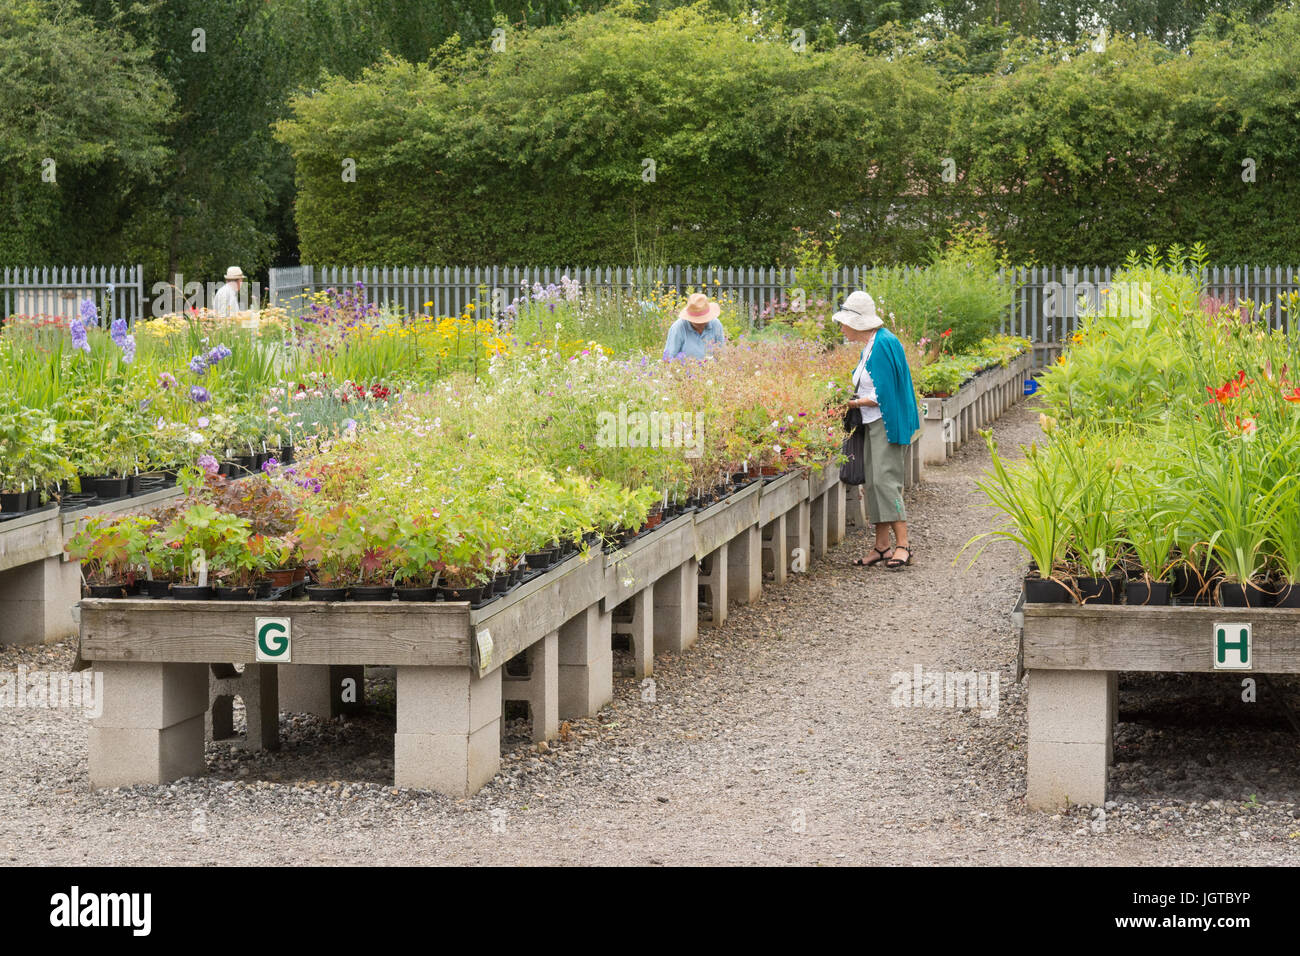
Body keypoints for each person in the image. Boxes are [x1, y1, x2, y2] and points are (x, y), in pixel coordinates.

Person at [835, 290, 921, 570]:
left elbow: (884, 393)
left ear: (858, 322)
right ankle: (882, 546)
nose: (842, 327)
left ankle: (903, 545)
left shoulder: (883, 343)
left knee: (886, 482)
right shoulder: (871, 344)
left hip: (887, 422)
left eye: (844, 322)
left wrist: (851, 403)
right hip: (873, 422)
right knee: (873, 482)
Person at [663, 292, 726, 360]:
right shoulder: (678, 327)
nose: (701, 323)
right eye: (697, 322)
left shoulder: (716, 324)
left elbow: (721, 355)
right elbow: (668, 359)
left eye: (704, 320)